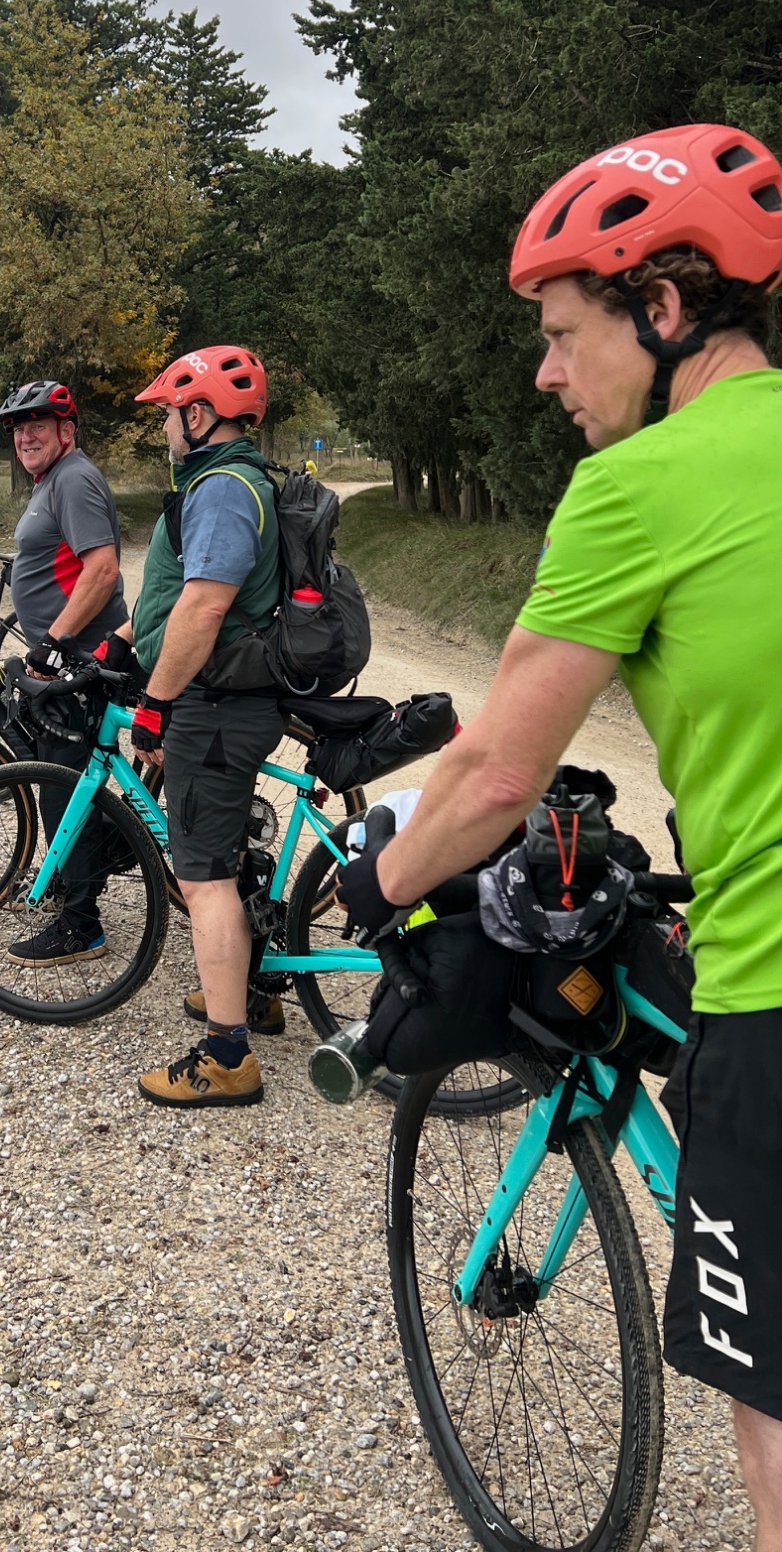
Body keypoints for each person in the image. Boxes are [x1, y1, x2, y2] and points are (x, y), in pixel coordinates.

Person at [331, 124, 782, 1546]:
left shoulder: (636, 488)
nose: (543, 374)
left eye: (560, 331)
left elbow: (492, 780)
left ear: (663, 309)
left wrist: (375, 885)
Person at [111, 346, 285, 1110]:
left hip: (214, 707)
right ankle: (252, 993)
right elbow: (176, 592)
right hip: (220, 702)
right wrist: (126, 639)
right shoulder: (231, 481)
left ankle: (226, 1059)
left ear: (201, 414)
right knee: (223, 858)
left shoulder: (220, 488)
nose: (165, 430)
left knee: (203, 875)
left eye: (168, 416)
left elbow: (206, 605)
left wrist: (155, 700)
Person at [0, 381, 128, 963]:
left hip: (84, 659)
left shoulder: (72, 478)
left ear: (66, 432)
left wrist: (53, 642)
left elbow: (101, 571)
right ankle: (82, 873)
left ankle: (82, 925)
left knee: (61, 785)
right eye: (19, 427)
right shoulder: (53, 479)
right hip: (70, 654)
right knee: (67, 778)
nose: (26, 434)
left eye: (38, 425)